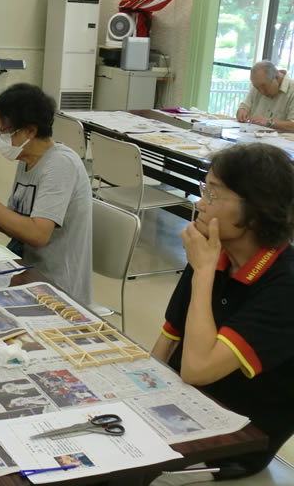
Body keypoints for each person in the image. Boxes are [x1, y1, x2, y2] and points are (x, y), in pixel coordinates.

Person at [151, 143, 294, 481]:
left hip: (237, 441)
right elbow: (168, 342)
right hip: (184, 406)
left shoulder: (285, 284)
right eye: (205, 189)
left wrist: (203, 271)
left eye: (214, 195)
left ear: (255, 212)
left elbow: (197, 370)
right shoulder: (215, 250)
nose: (201, 203)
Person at [0, 84, 93, 304]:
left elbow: (38, 235)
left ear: (30, 131)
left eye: (3, 130)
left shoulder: (60, 165)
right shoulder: (27, 158)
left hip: (56, 288)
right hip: (24, 270)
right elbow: (15, 226)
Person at [235, 60, 294, 132]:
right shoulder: (259, 85)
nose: (261, 92)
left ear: (277, 78)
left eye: (264, 87)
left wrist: (269, 122)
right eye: (257, 88)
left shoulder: (292, 90)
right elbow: (245, 106)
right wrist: (242, 111)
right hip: (253, 137)